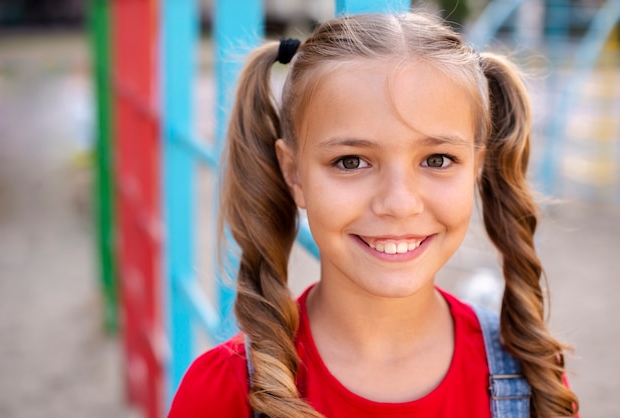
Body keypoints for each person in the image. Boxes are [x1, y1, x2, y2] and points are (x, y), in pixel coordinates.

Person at [168, 12, 579, 418]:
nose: (399, 203)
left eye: (437, 159)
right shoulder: (222, 391)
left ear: (476, 166)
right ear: (293, 172)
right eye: (351, 162)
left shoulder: (530, 379)